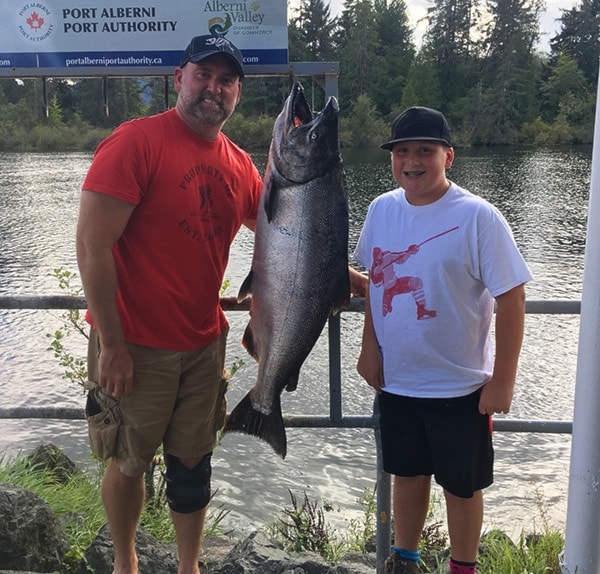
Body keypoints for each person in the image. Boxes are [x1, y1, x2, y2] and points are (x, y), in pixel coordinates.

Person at [76, 35, 262, 574]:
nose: (213, 88)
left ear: (237, 94)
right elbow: (92, 244)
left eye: (226, 80)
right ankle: (126, 562)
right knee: (129, 461)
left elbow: (281, 234)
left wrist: (344, 277)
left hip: (204, 342)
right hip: (133, 343)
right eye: (203, 74)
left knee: (192, 462)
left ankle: (188, 567)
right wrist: (112, 344)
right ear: (179, 77)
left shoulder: (238, 162)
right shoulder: (137, 142)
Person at [354, 106, 533, 574]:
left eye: (425, 151)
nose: (412, 161)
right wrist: (369, 347)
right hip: (398, 381)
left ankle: (462, 567)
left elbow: (512, 298)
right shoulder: (380, 210)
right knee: (407, 475)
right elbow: (375, 281)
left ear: (448, 156)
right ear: (392, 159)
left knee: (462, 485)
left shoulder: (478, 217)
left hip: (461, 387)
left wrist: (503, 381)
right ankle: (406, 560)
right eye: (402, 152)